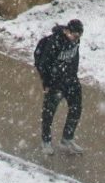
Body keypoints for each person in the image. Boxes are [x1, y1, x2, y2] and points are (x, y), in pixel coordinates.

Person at [32, 19, 85, 155]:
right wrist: (47, 83)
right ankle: (46, 141)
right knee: (49, 112)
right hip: (55, 82)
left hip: (71, 79)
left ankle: (67, 138)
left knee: (76, 107)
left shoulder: (75, 41)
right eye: (74, 35)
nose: (76, 39)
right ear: (67, 31)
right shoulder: (55, 42)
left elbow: (75, 58)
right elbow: (44, 64)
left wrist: (73, 74)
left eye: (78, 36)